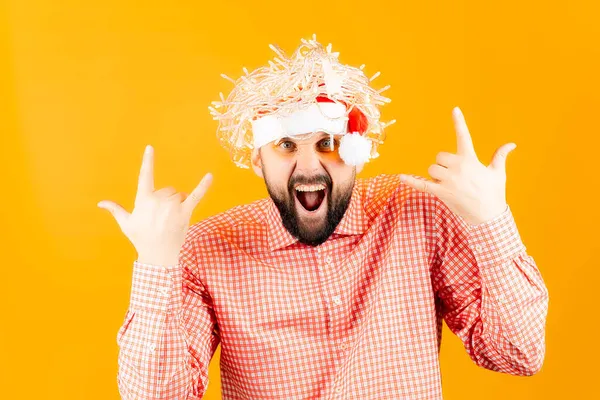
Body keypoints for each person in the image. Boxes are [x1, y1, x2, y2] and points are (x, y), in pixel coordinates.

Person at [98, 35, 549, 399]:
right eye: (287, 146)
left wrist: (492, 221)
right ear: (257, 160)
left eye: (328, 144)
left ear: (357, 153)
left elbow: (519, 353)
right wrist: (156, 265)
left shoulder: (415, 214)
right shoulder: (206, 249)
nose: (310, 167)